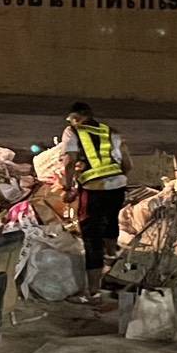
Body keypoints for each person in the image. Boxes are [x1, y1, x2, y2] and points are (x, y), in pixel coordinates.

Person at [57, 101, 127, 304]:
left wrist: (69, 187)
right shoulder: (110, 131)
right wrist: (116, 179)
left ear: (76, 118)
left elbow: (69, 161)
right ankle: (112, 258)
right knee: (111, 221)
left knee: (92, 237)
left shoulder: (72, 131)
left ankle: (93, 293)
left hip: (93, 189)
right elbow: (127, 163)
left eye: (70, 118)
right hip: (118, 185)